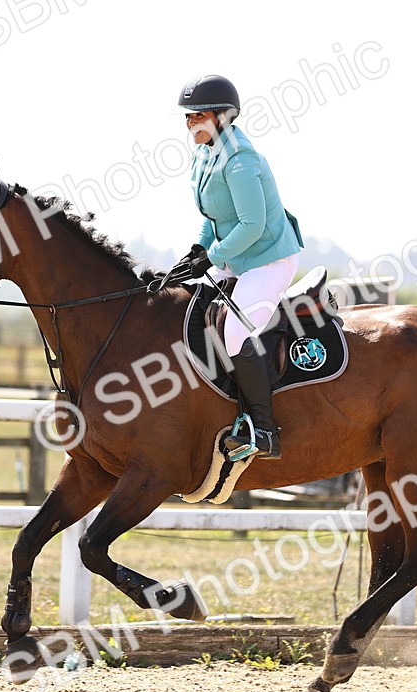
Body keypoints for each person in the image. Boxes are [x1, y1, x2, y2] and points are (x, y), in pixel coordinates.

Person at [176, 74, 304, 460]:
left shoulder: (240, 160)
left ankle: (264, 431)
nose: (190, 123)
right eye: (188, 116)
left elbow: (252, 225)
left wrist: (211, 258)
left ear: (222, 117)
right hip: (236, 256)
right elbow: (214, 217)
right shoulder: (205, 154)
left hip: (268, 259)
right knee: (185, 303)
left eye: (197, 116)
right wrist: (197, 250)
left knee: (234, 333)